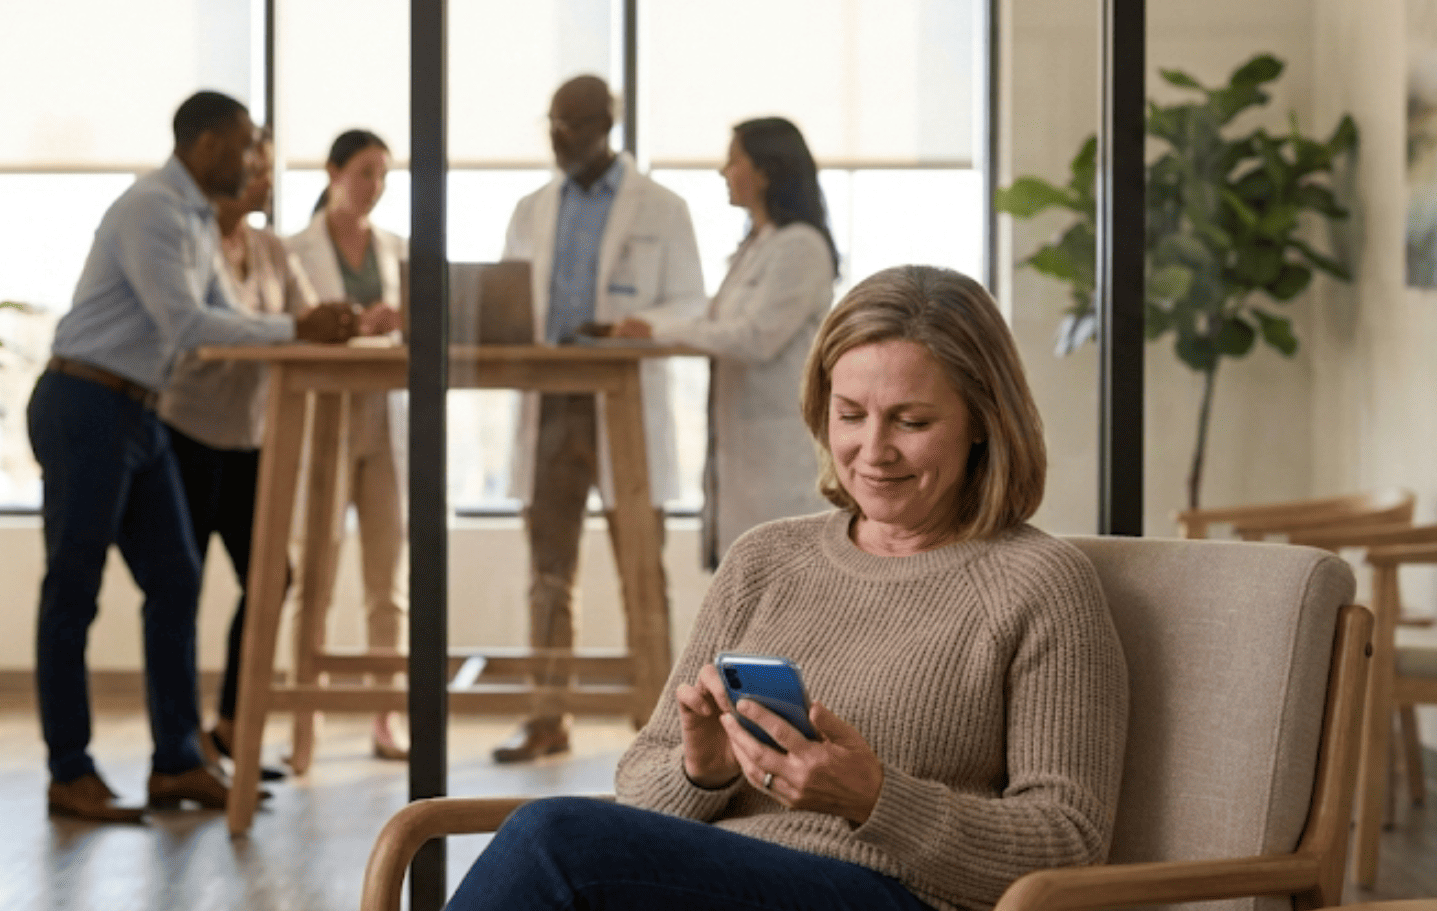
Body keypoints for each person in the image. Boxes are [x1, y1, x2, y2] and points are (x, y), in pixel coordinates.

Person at [445, 265, 1129, 911]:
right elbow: (638, 786)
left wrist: (877, 797)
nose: (873, 449)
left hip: (891, 894)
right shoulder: (766, 559)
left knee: (552, 839)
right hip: (720, 881)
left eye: (912, 421)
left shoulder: (1041, 585)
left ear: (983, 420)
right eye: (851, 414)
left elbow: (1066, 840)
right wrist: (703, 771)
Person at [28, 92, 355, 823]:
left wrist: (296, 328)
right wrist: (296, 326)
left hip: (139, 410)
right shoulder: (153, 209)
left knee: (176, 578)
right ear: (203, 142)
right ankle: (68, 769)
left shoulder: (197, 220)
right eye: (241, 146)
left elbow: (230, 320)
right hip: (85, 403)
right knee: (73, 591)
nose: (250, 161)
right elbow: (187, 324)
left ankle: (177, 759)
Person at [493, 74, 706, 763]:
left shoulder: (663, 208)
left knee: (640, 565)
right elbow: (508, 295)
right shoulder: (531, 208)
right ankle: (547, 714)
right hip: (550, 399)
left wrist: (632, 326)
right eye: (553, 124)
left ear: (607, 124)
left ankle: (660, 721)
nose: (561, 138)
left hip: (622, 398)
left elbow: (690, 303)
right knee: (548, 567)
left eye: (575, 126)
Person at [611, 117, 840, 569]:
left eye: (734, 160)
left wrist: (660, 330)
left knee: (782, 587)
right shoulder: (757, 246)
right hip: (740, 457)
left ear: (765, 171)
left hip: (779, 458)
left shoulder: (801, 247)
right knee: (743, 584)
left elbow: (754, 338)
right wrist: (650, 322)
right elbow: (714, 318)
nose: (723, 171)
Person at [159, 126, 315, 784]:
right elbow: (191, 327)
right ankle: (184, 740)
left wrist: (355, 321)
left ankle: (233, 726)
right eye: (256, 167)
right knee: (181, 585)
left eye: (270, 169)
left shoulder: (273, 251)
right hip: (188, 432)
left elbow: (309, 318)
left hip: (254, 441)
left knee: (272, 578)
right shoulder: (192, 241)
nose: (265, 178)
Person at [284, 128, 410, 761]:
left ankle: (388, 719)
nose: (375, 186)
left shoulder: (395, 249)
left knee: (387, 583)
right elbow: (295, 331)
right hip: (325, 422)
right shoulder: (295, 250)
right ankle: (305, 728)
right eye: (365, 172)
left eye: (384, 175)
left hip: (383, 421)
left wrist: (399, 320)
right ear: (332, 172)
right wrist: (351, 324)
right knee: (316, 577)